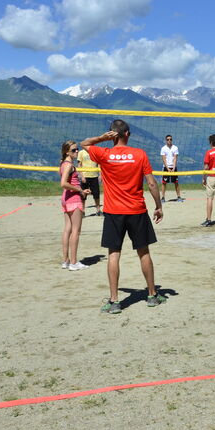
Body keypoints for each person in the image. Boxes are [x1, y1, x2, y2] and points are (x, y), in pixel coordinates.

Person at [81, 120, 166, 314]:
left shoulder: (104, 154)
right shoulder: (139, 154)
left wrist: (102, 138)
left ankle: (114, 301)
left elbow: (84, 144)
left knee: (114, 254)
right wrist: (159, 206)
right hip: (136, 210)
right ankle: (152, 295)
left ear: (112, 134)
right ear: (127, 133)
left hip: (114, 211)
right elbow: (152, 184)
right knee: (143, 252)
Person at [59, 140, 90, 271]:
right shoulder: (68, 166)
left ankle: (66, 261)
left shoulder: (63, 164)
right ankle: (74, 262)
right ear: (67, 152)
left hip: (66, 198)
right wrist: (80, 190)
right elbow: (63, 183)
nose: (77, 151)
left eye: (77, 149)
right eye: (73, 150)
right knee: (76, 231)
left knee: (68, 229)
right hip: (73, 198)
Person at [77, 146, 102, 216]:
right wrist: (81, 176)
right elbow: (79, 165)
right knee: (83, 194)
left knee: (96, 194)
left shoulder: (95, 152)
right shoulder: (81, 152)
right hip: (85, 176)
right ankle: (82, 211)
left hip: (94, 176)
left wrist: (100, 174)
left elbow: (99, 164)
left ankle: (98, 210)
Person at [160, 134, 182, 203]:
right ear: (166, 140)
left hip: (173, 167)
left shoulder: (175, 148)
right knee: (164, 183)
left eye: (170, 139)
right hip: (166, 167)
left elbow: (175, 158)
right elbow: (164, 159)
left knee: (176, 182)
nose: (169, 140)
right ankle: (163, 197)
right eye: (168, 139)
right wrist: (167, 168)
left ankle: (178, 196)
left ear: (172, 140)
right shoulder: (163, 148)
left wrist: (173, 167)